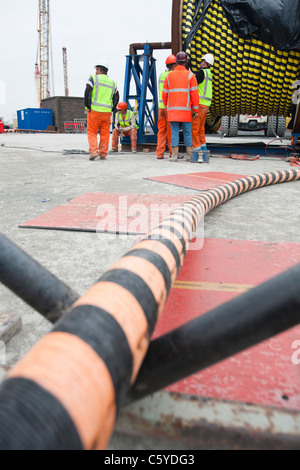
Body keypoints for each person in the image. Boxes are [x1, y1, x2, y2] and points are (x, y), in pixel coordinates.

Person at [162, 51, 199, 162]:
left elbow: (164, 94)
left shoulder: (169, 76)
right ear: (186, 61)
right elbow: (194, 95)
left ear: (176, 62)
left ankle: (174, 156)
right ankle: (189, 156)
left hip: (173, 111)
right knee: (188, 133)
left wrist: (166, 107)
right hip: (186, 111)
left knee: (174, 133)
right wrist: (195, 110)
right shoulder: (190, 76)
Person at [84, 61, 119, 161]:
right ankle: (103, 153)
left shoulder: (93, 78)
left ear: (99, 69)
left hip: (94, 111)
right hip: (107, 113)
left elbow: (87, 92)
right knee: (105, 133)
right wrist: (112, 108)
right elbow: (116, 97)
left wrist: (87, 105)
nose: (95, 71)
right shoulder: (113, 83)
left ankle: (94, 152)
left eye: (96, 69)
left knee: (92, 132)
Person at [155, 55, 177, 159]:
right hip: (170, 108)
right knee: (170, 131)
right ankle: (172, 152)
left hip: (161, 107)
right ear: (173, 65)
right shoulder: (173, 76)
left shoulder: (161, 75)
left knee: (161, 131)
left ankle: (159, 153)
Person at [192, 53, 214, 152]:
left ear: (205, 63)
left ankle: (197, 150)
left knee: (194, 129)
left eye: (202, 61)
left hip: (200, 105)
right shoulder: (209, 73)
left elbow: (193, 83)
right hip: (206, 105)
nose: (200, 63)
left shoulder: (202, 73)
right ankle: (203, 148)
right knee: (201, 129)